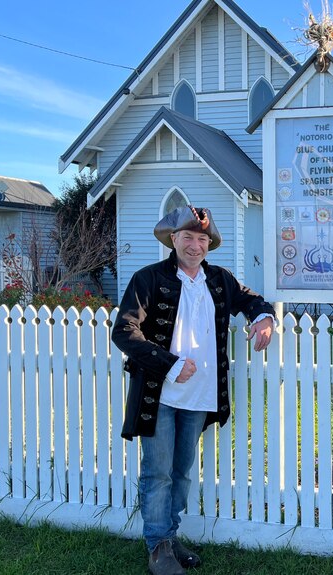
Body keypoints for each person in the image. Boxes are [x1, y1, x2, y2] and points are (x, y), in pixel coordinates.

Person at [112, 205, 275, 575]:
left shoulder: (219, 279)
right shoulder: (148, 278)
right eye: (188, 237)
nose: (195, 245)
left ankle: (169, 537)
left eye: (202, 238)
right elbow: (124, 331)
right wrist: (168, 364)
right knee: (158, 472)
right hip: (160, 394)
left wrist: (263, 318)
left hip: (201, 395)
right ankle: (158, 547)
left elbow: (252, 300)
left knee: (182, 471)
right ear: (174, 239)